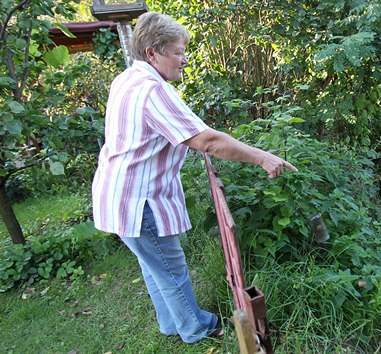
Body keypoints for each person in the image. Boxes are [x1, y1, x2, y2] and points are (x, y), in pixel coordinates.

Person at [91, 11, 297, 344]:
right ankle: (197, 328)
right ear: (152, 53)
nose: (185, 60)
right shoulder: (152, 92)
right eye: (178, 52)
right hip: (139, 201)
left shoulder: (127, 78)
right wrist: (262, 156)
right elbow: (207, 140)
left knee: (154, 266)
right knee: (170, 269)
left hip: (118, 194)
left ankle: (170, 323)